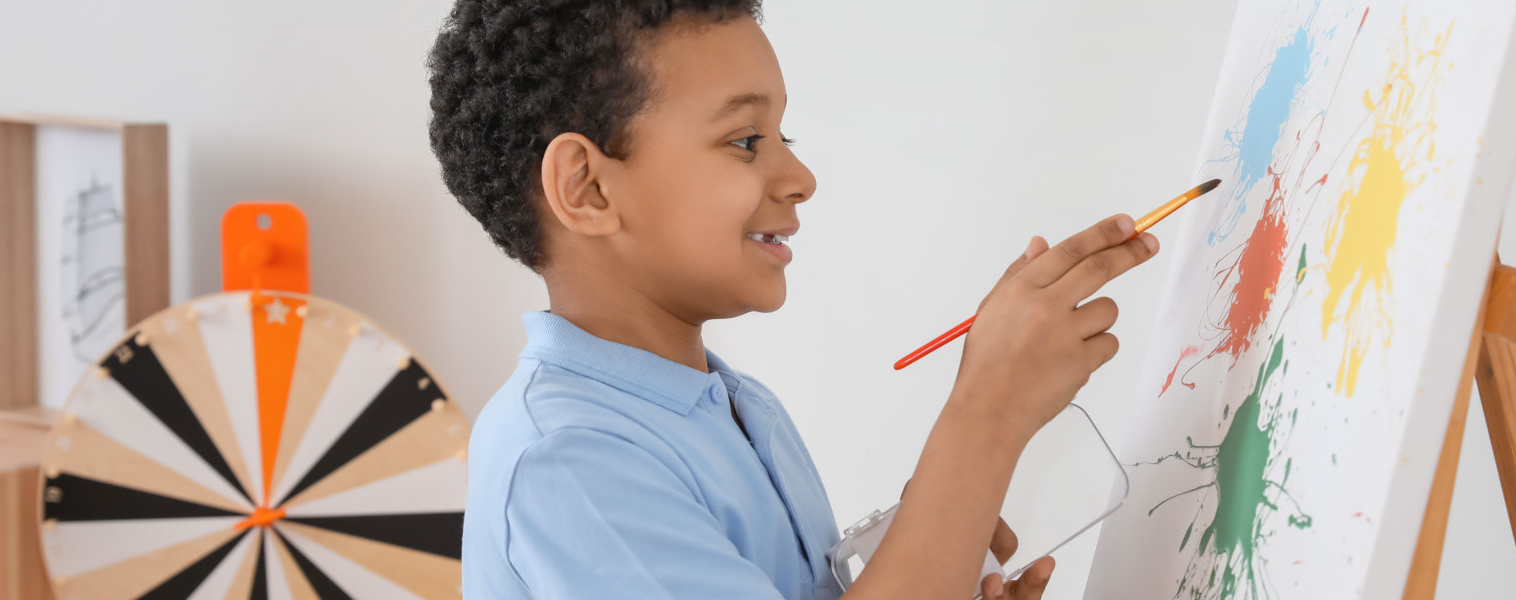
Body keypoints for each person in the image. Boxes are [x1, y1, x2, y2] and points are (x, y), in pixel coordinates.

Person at [427, 1, 1159, 598]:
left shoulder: (745, 408)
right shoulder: (567, 461)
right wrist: (986, 414)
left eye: (785, 133)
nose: (799, 175)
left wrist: (934, 555)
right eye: (746, 140)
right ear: (587, 188)